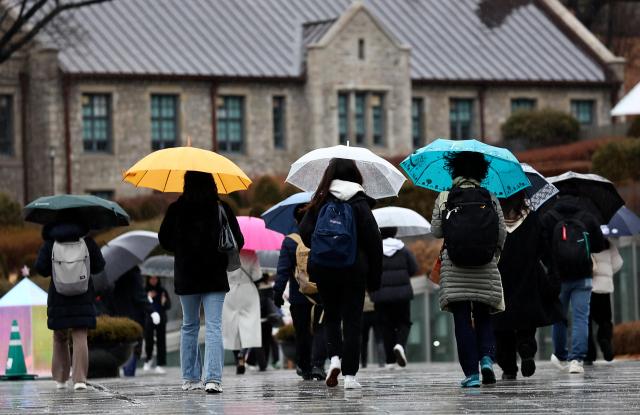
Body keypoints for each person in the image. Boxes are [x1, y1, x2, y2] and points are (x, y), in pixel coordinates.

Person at [299, 158, 382, 389]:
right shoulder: (359, 201)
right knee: (353, 321)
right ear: (355, 174)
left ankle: (334, 359)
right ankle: (350, 376)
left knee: (332, 317)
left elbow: (304, 232)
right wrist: (375, 276)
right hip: (354, 270)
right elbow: (374, 241)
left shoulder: (321, 199)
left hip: (324, 269)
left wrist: (323, 245)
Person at [159, 171, 243, 394]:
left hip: (186, 275)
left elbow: (164, 239)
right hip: (215, 275)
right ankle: (213, 379)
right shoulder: (221, 208)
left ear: (186, 184)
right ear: (212, 183)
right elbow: (238, 240)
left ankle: (190, 378)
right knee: (214, 326)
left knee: (189, 326)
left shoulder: (176, 209)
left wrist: (182, 245)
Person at [430, 151, 506, 388]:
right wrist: (494, 255)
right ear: (480, 172)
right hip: (485, 264)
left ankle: (471, 374)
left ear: (455, 170)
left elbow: (436, 231)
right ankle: (486, 358)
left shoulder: (445, 196)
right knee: (483, 315)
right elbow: (502, 231)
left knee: (462, 319)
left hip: (455, 267)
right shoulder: (490, 197)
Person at [493, 190, 562, 380]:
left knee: (501, 323)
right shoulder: (532, 217)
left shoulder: (493, 218)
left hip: (500, 276)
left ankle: (508, 367)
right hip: (528, 275)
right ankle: (526, 348)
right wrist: (553, 273)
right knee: (526, 318)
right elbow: (544, 248)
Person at [35, 221, 105, 391]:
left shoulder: (51, 243)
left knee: (60, 337)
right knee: (80, 335)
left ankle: (60, 379)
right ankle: (80, 379)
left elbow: (41, 268)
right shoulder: (87, 242)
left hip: (58, 296)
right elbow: (99, 266)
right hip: (83, 295)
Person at [541, 194, 606, 374]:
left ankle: (561, 355)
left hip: (558, 277)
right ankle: (577, 359)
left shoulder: (549, 217)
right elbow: (599, 245)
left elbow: (542, 247)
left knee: (559, 317)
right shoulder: (587, 216)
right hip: (583, 275)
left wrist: (551, 265)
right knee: (580, 318)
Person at [274, 204, 327, 381]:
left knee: (302, 331)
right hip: (321, 293)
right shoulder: (323, 235)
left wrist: (278, 292)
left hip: (299, 295)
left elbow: (282, 270)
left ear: (296, 219)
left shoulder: (290, 241)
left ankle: (304, 367)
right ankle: (318, 365)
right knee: (320, 328)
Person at [370, 226, 418, 369]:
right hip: (402, 294)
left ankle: (390, 361)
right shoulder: (403, 250)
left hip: (381, 295)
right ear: (395, 232)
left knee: (386, 326)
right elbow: (414, 268)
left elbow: (370, 271)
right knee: (404, 322)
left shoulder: (375, 251)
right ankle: (400, 345)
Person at [102, 266, 156, 377]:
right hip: (132, 316)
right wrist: (151, 310)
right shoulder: (133, 270)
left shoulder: (112, 271)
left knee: (121, 345)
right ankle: (128, 372)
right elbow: (139, 294)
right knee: (133, 346)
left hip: (116, 315)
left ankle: (122, 371)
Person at [222, 250, 263, 375]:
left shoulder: (226, 253)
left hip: (230, 290)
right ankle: (243, 354)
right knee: (248, 325)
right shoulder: (251, 253)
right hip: (247, 290)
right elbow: (257, 275)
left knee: (231, 325)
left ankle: (237, 357)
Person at [586, 239, 623, 364]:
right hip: (605, 288)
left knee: (587, 322)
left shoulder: (585, 240)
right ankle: (604, 340)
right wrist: (607, 272)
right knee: (605, 321)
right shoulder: (607, 243)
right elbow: (618, 263)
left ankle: (589, 353)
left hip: (588, 288)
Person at [143, 275, 171, 373]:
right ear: (148, 279)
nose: (154, 280)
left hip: (161, 318)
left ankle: (160, 364)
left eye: (156, 278)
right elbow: (142, 304)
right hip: (149, 318)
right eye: (151, 278)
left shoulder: (162, 290)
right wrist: (149, 297)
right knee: (149, 339)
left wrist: (164, 301)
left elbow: (168, 306)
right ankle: (148, 359)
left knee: (161, 341)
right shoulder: (145, 290)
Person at [360, 292, 384, 368]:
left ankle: (364, 363)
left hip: (363, 314)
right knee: (379, 339)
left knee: (364, 341)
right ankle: (381, 362)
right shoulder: (374, 286)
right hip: (375, 312)